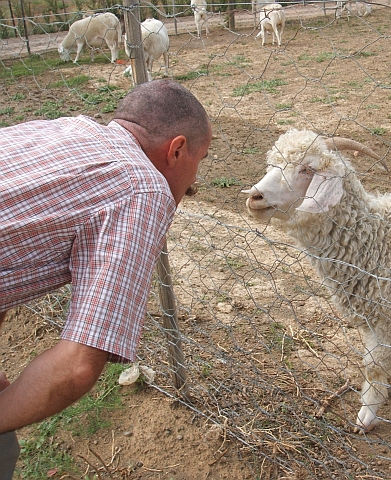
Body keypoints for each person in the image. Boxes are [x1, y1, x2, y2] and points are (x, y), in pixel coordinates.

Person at [0, 79, 213, 478]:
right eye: (201, 158)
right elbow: (77, 365)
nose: (196, 178)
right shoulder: (142, 190)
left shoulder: (67, 129)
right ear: (178, 149)